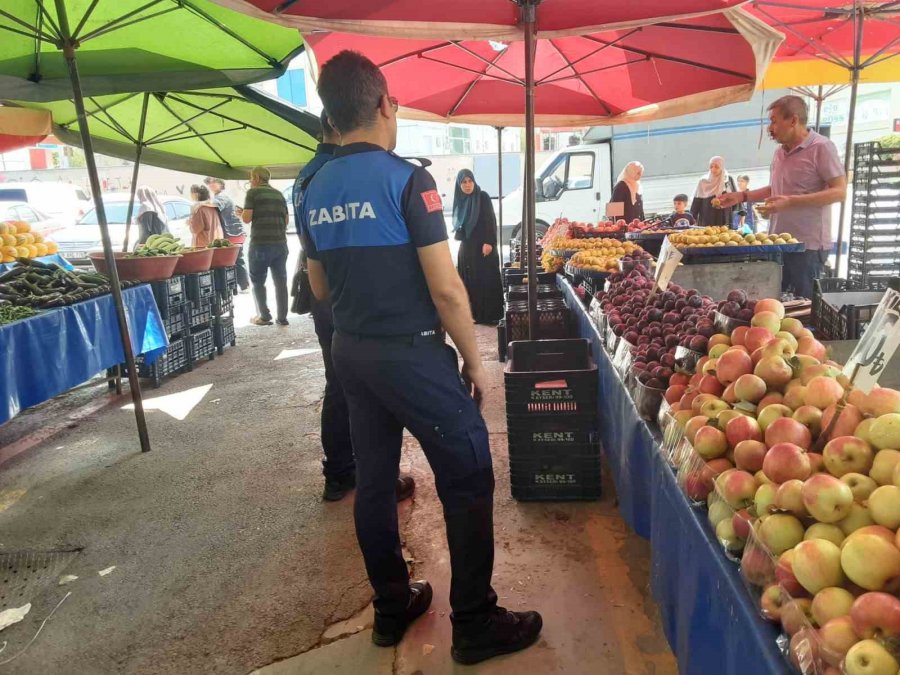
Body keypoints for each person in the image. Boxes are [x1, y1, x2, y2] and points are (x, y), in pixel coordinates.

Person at [300, 51, 541, 664]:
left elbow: (319, 288)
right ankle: (475, 622)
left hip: (350, 353)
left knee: (375, 481)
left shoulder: (312, 186)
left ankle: (391, 606)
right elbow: (447, 290)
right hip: (410, 354)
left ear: (331, 114)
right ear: (384, 104)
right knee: (469, 471)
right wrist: (475, 362)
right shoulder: (408, 180)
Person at [718, 95, 847, 299]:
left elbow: (839, 191)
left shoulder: (821, 147)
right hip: (778, 242)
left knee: (803, 307)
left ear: (793, 120)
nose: (770, 128)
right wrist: (742, 196)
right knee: (776, 305)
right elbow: (777, 188)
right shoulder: (780, 152)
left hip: (807, 248)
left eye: (774, 121)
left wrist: (791, 202)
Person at [239, 166, 290, 327]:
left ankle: (264, 316)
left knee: (258, 281)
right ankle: (282, 317)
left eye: (251, 178)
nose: (250, 181)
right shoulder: (279, 194)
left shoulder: (252, 193)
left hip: (260, 244)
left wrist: (241, 213)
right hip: (280, 244)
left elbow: (246, 218)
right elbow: (286, 220)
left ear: (256, 178)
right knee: (280, 282)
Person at [452, 169, 503, 325]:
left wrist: (489, 242)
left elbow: (490, 220)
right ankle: (473, 314)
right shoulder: (460, 200)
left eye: (470, 181)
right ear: (459, 185)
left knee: (484, 278)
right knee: (468, 279)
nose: (467, 185)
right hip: (467, 246)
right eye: (464, 182)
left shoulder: (482, 197)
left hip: (483, 246)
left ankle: (489, 315)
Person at [204, 177, 250, 291]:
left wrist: (199, 204)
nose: (211, 184)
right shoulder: (218, 196)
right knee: (234, 260)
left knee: (237, 260)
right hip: (232, 233)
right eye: (209, 183)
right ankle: (241, 285)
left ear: (221, 184)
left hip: (233, 233)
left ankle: (245, 285)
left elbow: (213, 205)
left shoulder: (222, 197)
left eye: (214, 182)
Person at [690, 156, 737, 227]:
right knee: (709, 233)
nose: (713, 169)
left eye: (716, 167)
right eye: (711, 167)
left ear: (722, 167)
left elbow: (735, 198)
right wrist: (692, 218)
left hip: (725, 216)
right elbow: (697, 201)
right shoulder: (703, 181)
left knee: (725, 233)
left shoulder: (727, 179)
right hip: (708, 216)